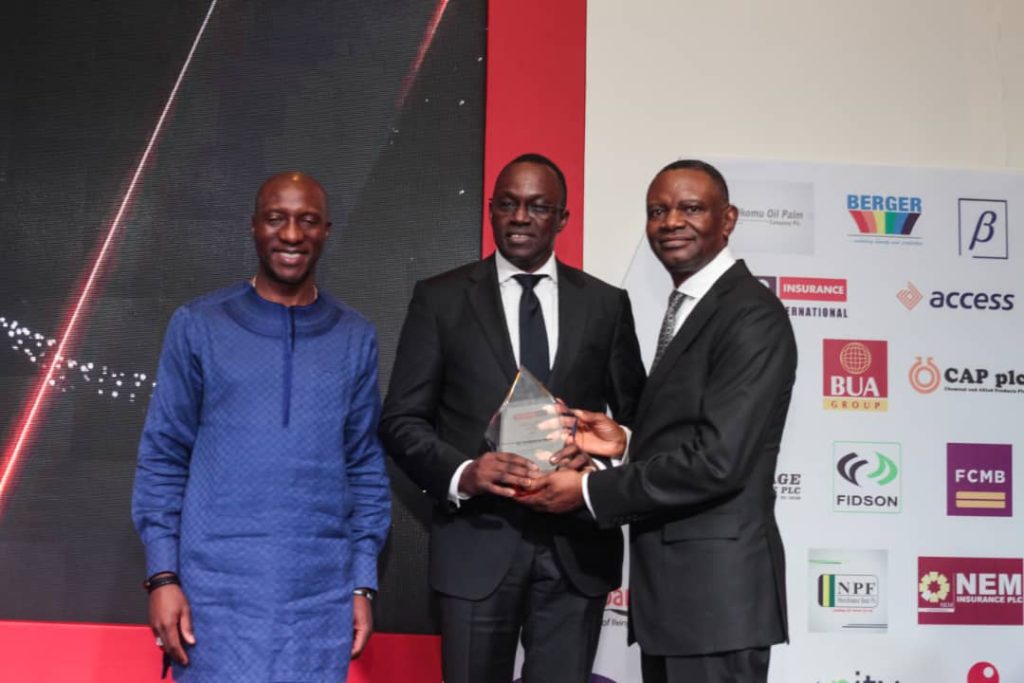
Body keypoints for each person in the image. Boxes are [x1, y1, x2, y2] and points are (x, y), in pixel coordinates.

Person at [523, 160, 797, 683]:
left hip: (717, 605)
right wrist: (624, 441)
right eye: (658, 211)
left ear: (728, 219)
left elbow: (718, 462)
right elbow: (689, 433)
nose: (671, 221)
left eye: (690, 208)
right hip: (677, 606)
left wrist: (587, 492)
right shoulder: (695, 307)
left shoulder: (751, 316)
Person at [378, 153, 646, 683]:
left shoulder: (606, 305)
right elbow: (401, 420)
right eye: (508, 204)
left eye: (537, 206)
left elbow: (639, 425)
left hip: (577, 551)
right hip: (476, 546)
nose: (520, 217)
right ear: (491, 211)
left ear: (562, 218)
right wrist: (464, 473)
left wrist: (594, 472)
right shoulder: (440, 299)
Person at [131, 172, 391, 682]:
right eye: (276, 219)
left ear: (326, 231)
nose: (291, 235)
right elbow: (163, 456)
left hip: (318, 599)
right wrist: (162, 577)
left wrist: (361, 584)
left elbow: (364, 467)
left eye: (307, 220)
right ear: (253, 228)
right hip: (212, 598)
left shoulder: (355, 336)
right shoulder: (199, 324)